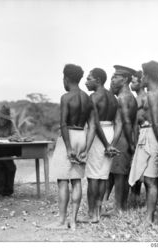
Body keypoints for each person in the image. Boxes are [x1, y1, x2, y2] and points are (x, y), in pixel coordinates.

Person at [47, 64, 92, 230]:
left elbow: (63, 123)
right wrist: (86, 148)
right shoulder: (88, 98)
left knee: (62, 181)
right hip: (82, 135)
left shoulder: (66, 97)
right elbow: (93, 126)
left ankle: (61, 220)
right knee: (76, 179)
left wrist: (68, 147)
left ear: (66, 78)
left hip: (69, 136)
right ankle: (73, 221)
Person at [128, 61, 158, 224]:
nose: (142, 77)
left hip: (153, 136)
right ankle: (147, 214)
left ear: (149, 76)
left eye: (144, 74)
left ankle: (149, 218)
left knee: (151, 179)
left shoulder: (154, 94)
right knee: (148, 178)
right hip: (152, 136)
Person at [85, 68, 120, 223]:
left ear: (98, 80)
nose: (86, 82)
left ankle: (92, 214)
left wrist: (106, 144)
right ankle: (98, 212)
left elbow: (94, 124)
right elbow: (119, 123)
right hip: (110, 132)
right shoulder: (113, 98)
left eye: (89, 79)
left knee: (93, 176)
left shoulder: (93, 97)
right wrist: (112, 143)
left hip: (98, 137)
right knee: (103, 175)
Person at [104, 65, 137, 211]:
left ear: (124, 79)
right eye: (111, 77)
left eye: (115, 77)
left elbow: (127, 122)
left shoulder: (124, 98)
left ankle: (119, 209)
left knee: (119, 175)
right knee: (119, 173)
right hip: (123, 138)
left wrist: (130, 143)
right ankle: (120, 207)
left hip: (123, 139)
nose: (112, 79)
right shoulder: (127, 96)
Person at [129, 70, 146, 206]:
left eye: (134, 82)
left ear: (141, 83)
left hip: (141, 136)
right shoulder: (137, 98)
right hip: (139, 135)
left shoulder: (141, 99)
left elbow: (135, 123)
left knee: (138, 168)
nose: (131, 84)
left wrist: (133, 141)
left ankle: (135, 200)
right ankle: (134, 199)